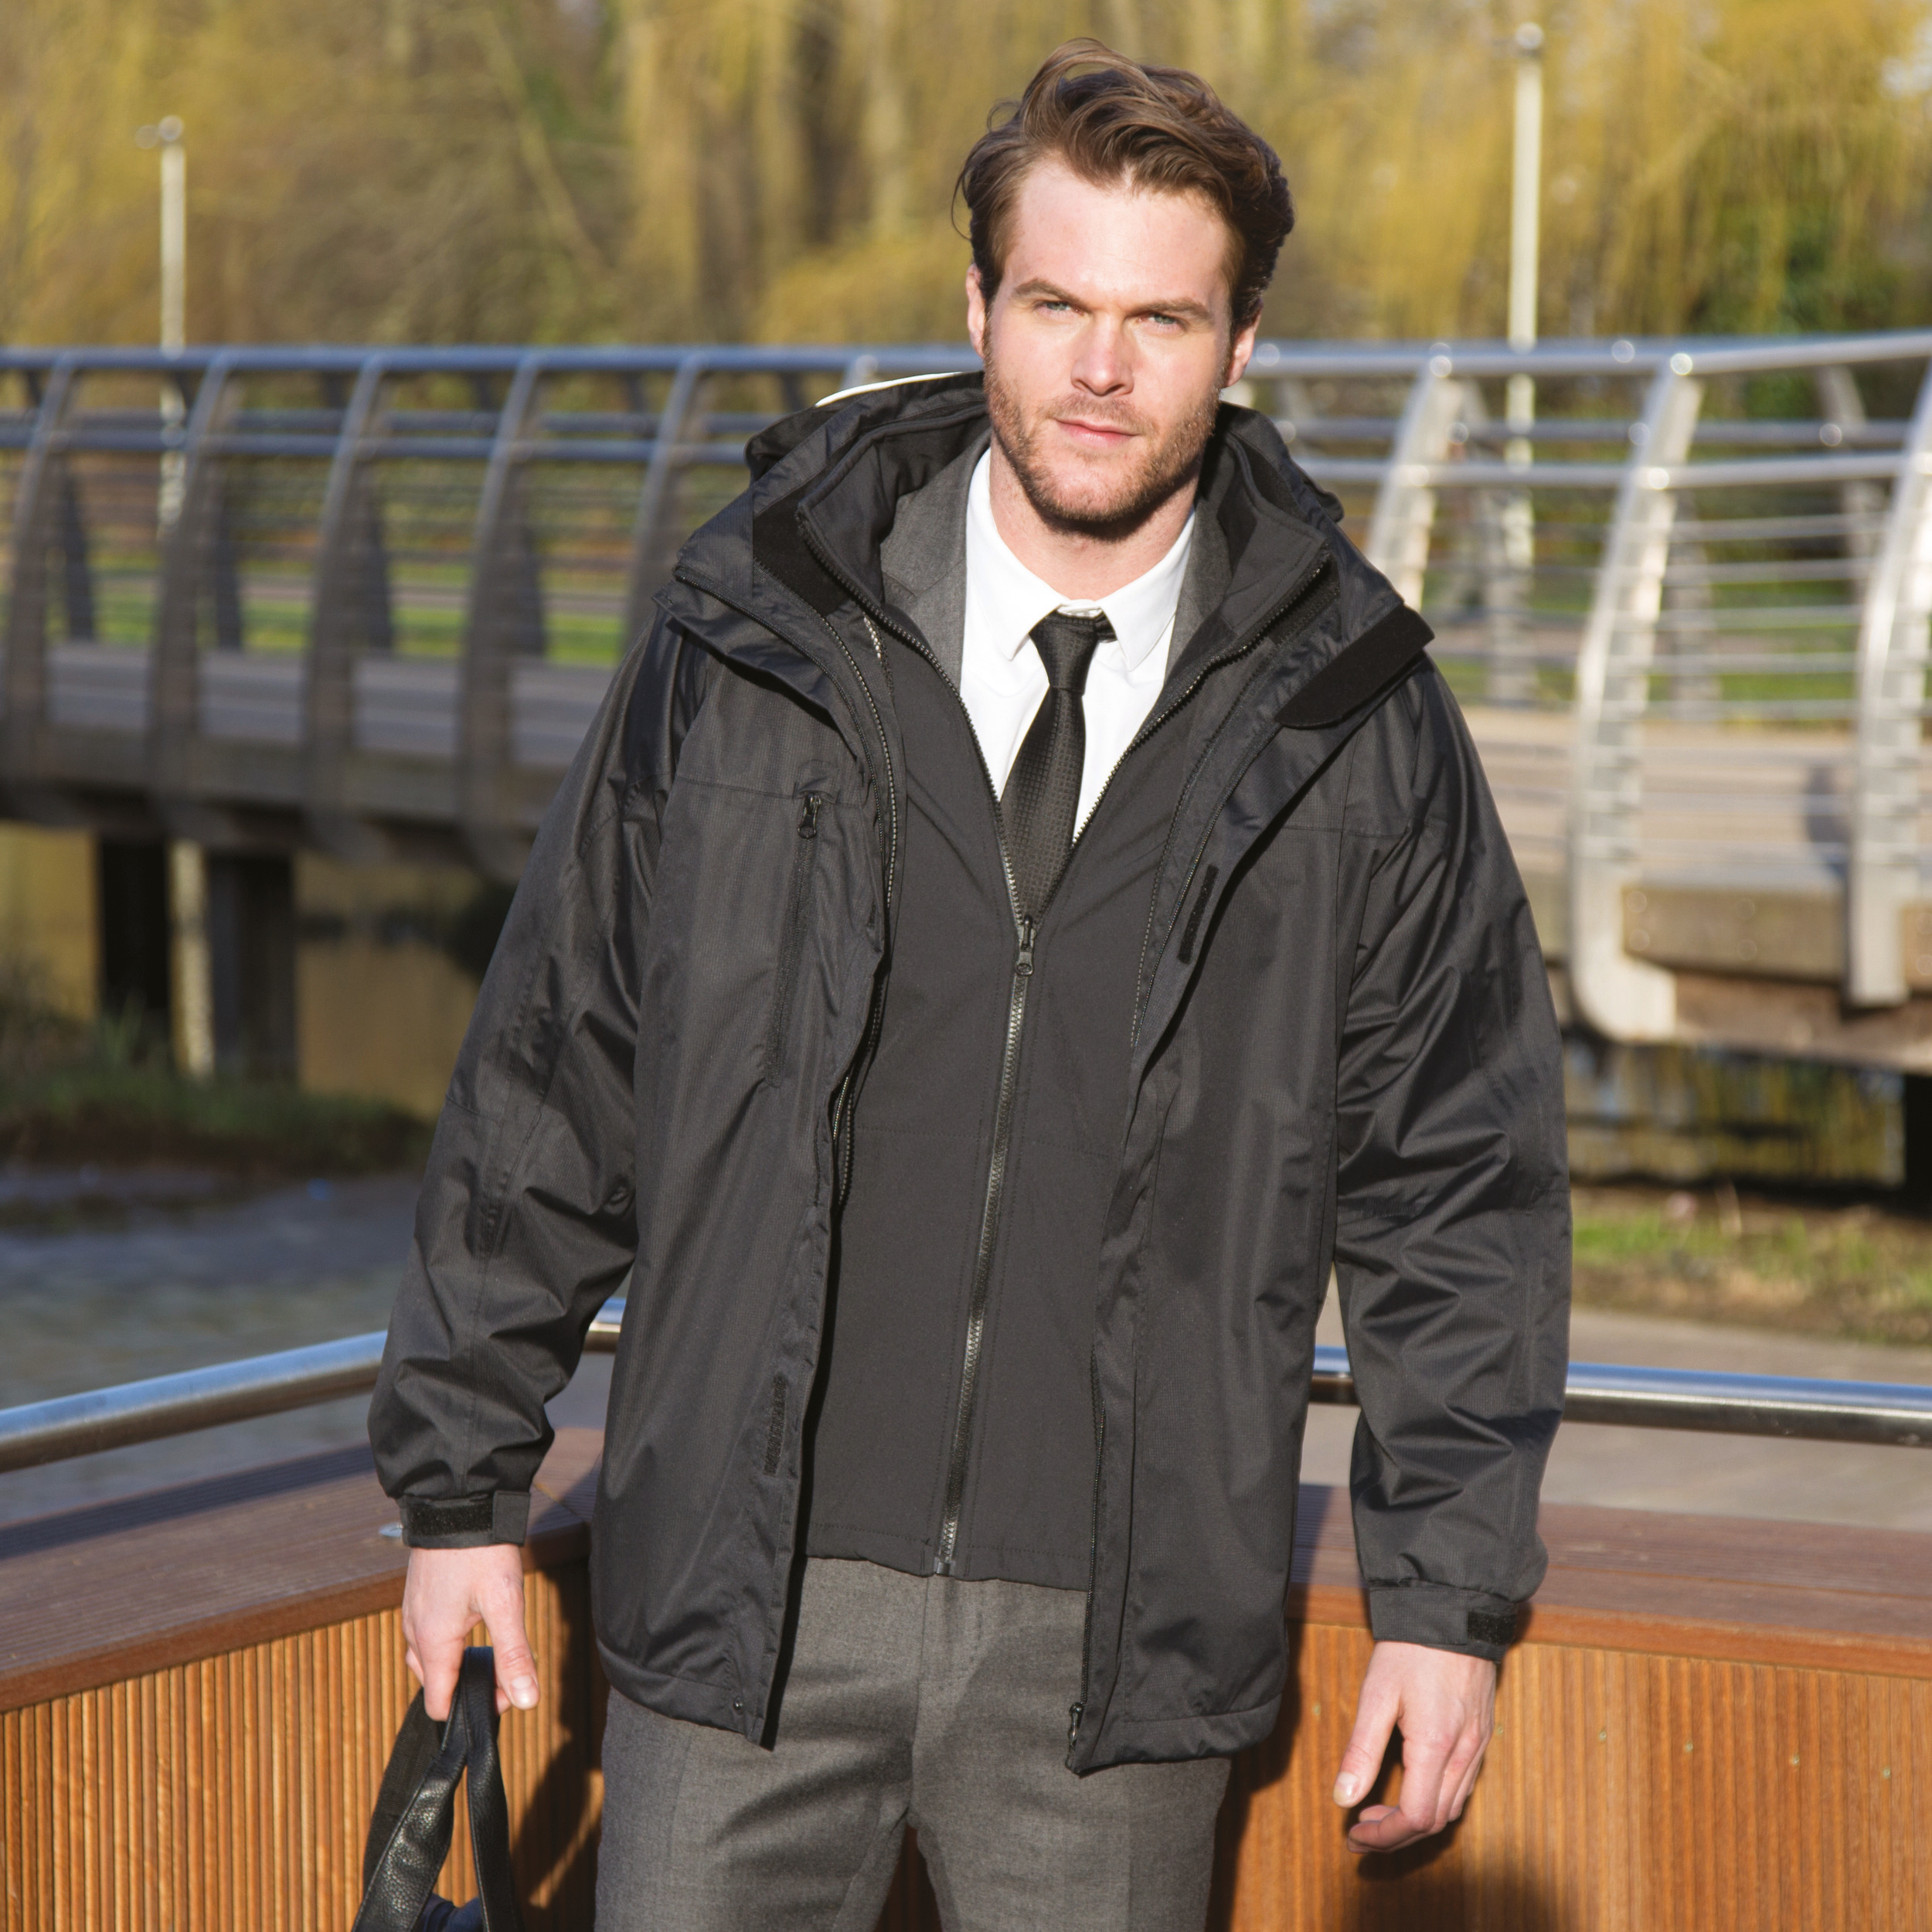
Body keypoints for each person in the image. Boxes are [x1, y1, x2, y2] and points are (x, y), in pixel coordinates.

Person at [370, 39, 1570, 1931]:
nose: (1100, 367)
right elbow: (555, 1066)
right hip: (733, 1616)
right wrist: (456, 1489)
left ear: (1239, 342)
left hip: (1111, 1661)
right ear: (977, 308)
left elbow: (1457, 1187)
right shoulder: (748, 632)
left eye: (1159, 317)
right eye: (1055, 303)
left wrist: (1446, 1602)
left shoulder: (1360, 721)